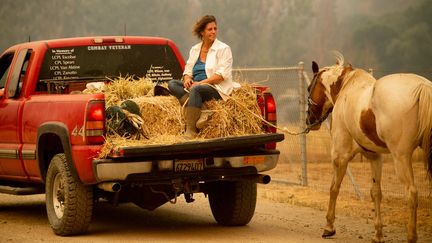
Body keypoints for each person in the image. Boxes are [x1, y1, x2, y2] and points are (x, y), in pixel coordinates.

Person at [168, 15, 237, 138]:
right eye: (209, 29)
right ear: (202, 32)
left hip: (215, 87)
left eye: (215, 28)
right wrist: (188, 78)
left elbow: (221, 76)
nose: (214, 32)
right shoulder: (194, 49)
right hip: (197, 86)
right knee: (172, 84)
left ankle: (191, 130)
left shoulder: (224, 49)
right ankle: (203, 109)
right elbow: (188, 70)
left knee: (195, 90)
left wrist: (200, 83)